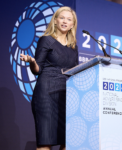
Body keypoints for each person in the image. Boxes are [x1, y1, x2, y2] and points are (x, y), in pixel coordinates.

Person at [20, 6, 78, 150]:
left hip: (67, 96)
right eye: (62, 18)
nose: (65, 21)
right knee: (46, 141)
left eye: (69, 19)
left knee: (68, 142)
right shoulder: (46, 40)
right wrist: (32, 62)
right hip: (47, 94)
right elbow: (37, 70)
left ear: (72, 25)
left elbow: (76, 71)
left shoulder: (73, 47)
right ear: (56, 21)